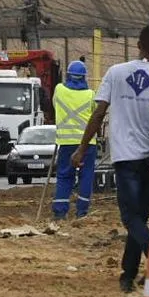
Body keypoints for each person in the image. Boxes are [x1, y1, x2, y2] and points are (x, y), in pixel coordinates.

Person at [74, 25, 149, 292]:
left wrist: (82, 148)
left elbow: (98, 114)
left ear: (138, 45)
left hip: (126, 158)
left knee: (131, 217)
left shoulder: (115, 73)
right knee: (138, 217)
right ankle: (127, 275)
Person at [51, 59, 97, 219]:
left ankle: (60, 211)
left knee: (64, 175)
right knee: (86, 175)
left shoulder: (59, 90)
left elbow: (55, 106)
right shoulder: (91, 95)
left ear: (69, 75)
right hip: (87, 144)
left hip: (66, 142)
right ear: (84, 77)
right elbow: (96, 115)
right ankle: (82, 211)